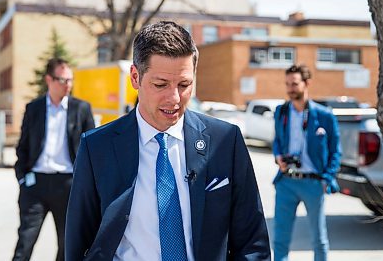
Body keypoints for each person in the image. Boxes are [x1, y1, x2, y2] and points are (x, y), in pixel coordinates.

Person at [65, 21, 270, 261]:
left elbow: (253, 243)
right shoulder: (96, 148)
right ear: (135, 77)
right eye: (160, 84)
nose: (174, 98)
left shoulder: (226, 141)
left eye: (184, 85)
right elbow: (78, 244)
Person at [12, 58, 95, 261]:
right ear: (49, 79)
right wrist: (23, 178)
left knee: (68, 246)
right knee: (25, 242)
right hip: (36, 185)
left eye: (70, 80)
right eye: (62, 80)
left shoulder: (81, 109)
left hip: (68, 186)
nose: (68, 85)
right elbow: (22, 147)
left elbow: (92, 150)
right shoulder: (34, 108)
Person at [272, 64, 341, 261]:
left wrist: (326, 179)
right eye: (287, 84)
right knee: (280, 240)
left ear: (306, 83)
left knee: (319, 240)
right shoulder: (281, 112)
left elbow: (336, 151)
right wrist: (278, 157)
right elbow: (277, 141)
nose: (290, 89)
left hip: (314, 183)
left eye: (294, 84)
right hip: (286, 182)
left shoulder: (325, 115)